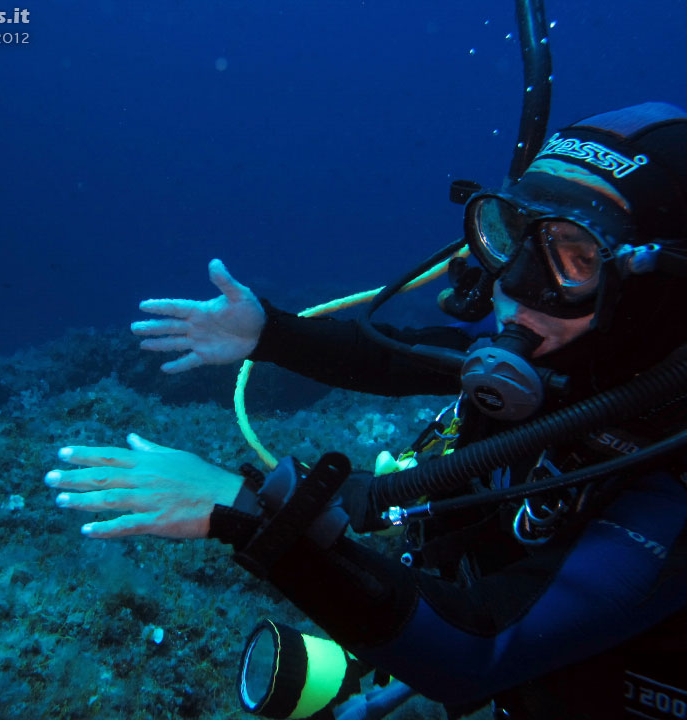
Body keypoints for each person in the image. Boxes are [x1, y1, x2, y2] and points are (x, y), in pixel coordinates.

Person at [45, 102, 687, 720]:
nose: (514, 282)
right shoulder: (568, 361)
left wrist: (239, 510)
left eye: (574, 257)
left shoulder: (671, 477)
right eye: (512, 234)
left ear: (660, 288)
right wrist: (269, 333)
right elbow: (402, 357)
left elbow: (477, 652)